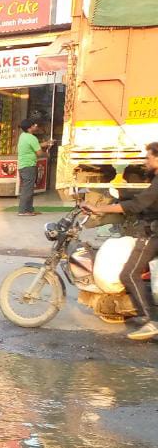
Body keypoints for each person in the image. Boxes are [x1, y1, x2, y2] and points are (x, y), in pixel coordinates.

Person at [83, 140, 158, 341]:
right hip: (150, 230)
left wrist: (100, 208)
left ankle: (151, 320)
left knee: (129, 274)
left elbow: (137, 204)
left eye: (148, 158)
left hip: (152, 234)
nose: (146, 161)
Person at [16, 118, 46, 215]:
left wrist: (43, 144)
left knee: (28, 188)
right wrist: (46, 152)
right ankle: (23, 210)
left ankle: (29, 209)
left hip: (23, 165)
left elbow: (31, 145)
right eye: (34, 125)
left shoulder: (23, 136)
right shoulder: (32, 138)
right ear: (29, 128)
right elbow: (39, 153)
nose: (35, 126)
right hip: (29, 165)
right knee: (27, 189)